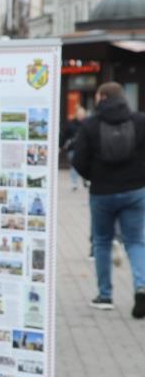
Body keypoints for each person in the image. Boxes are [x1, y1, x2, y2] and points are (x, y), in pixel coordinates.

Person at [72, 82, 145, 314]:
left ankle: (105, 296)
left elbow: (78, 160)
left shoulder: (91, 124)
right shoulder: (140, 121)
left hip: (102, 192)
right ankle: (141, 287)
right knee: (135, 241)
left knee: (102, 242)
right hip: (135, 191)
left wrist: (93, 177)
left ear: (102, 97)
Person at [62, 106, 87, 190]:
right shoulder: (70, 124)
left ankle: (85, 179)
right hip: (72, 148)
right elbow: (64, 136)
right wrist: (60, 145)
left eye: (82, 114)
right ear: (76, 114)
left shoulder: (88, 123)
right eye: (79, 114)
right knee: (74, 165)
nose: (80, 115)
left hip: (84, 149)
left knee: (85, 164)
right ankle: (74, 183)